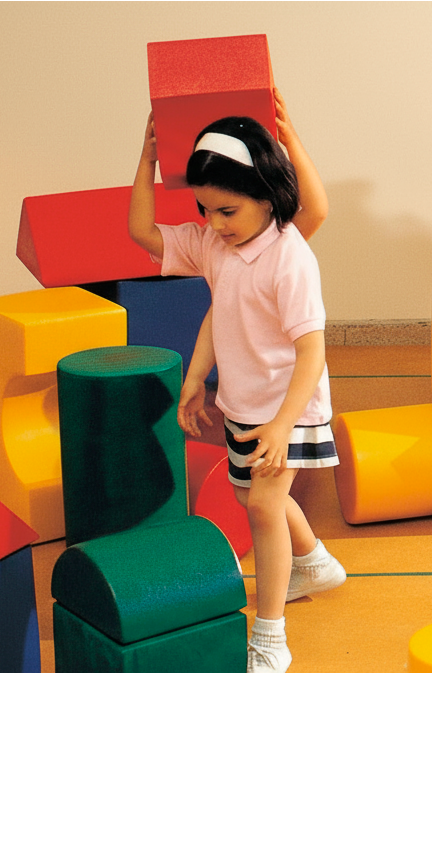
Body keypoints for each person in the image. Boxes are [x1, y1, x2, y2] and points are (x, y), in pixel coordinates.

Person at [128, 99, 342, 673]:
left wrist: (282, 424)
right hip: (244, 402)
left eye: (227, 210)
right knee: (250, 496)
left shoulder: (290, 256)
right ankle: (314, 562)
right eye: (205, 210)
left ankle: (270, 639)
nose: (215, 223)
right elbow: (146, 237)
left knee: (264, 507)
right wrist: (147, 161)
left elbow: (312, 349)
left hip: (288, 407)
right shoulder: (215, 246)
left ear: (266, 195)